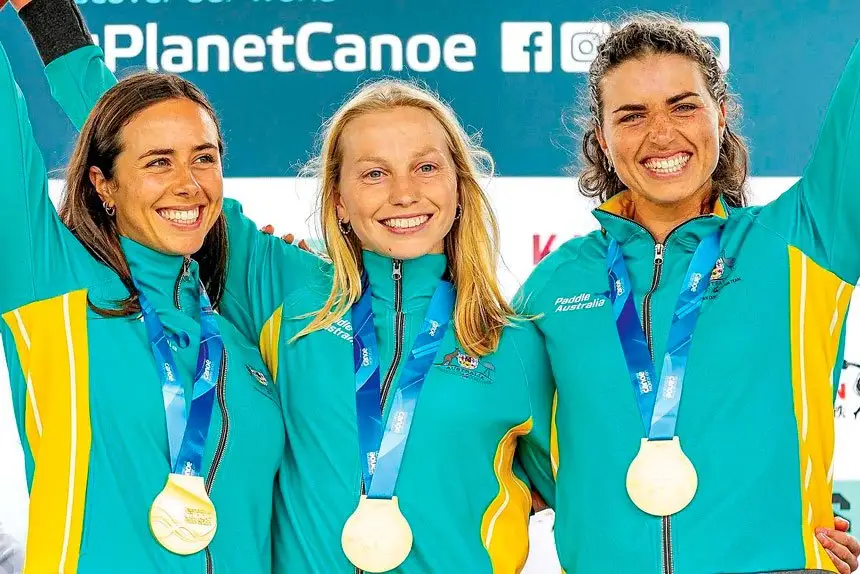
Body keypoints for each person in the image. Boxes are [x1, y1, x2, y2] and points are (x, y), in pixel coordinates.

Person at [9, 2, 860, 573]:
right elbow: (142, 146)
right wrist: (50, 19)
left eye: (427, 167)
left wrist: (803, 515)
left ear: (462, 183)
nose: (405, 193)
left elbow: (598, 467)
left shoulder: (519, 332)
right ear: (336, 196)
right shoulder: (278, 291)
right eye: (372, 173)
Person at [517, 14, 860, 574]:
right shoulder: (553, 285)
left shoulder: (803, 242)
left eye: (684, 105)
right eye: (631, 116)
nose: (661, 134)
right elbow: (491, 444)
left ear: (721, 115)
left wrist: (787, 529)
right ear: (602, 139)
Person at [0, 32, 284, 574]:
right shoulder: (52, 287)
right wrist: (44, 17)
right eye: (158, 163)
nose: (188, 183)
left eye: (205, 158)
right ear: (101, 185)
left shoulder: (238, 330)